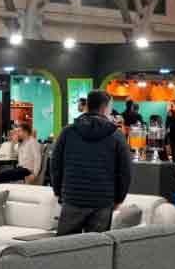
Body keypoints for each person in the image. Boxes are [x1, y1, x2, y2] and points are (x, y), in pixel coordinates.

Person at [50, 89, 132, 235]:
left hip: (72, 197)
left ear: (87, 105)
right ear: (105, 108)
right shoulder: (116, 135)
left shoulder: (68, 132)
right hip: (103, 200)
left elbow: (55, 165)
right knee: (97, 247)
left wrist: (58, 191)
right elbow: (125, 171)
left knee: (65, 246)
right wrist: (119, 198)